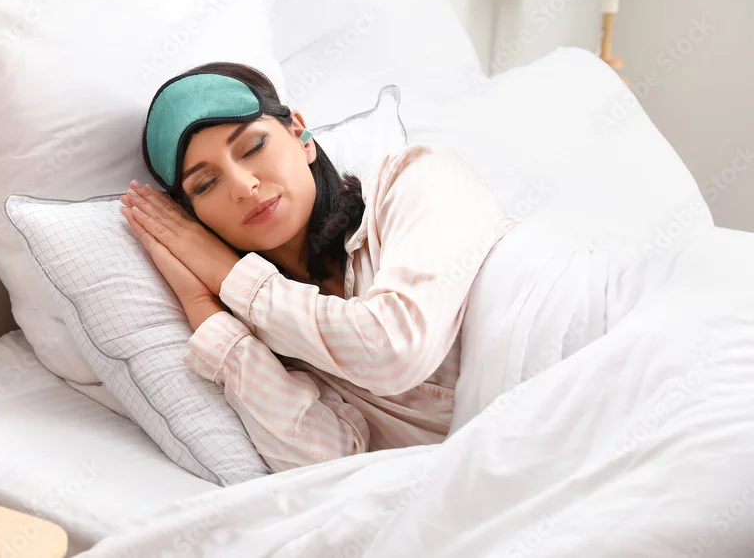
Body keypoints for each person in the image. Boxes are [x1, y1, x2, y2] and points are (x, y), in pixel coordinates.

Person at [119, 62, 516, 473]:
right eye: (205, 185)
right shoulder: (271, 336)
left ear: (300, 135)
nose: (242, 186)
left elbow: (394, 351)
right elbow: (327, 466)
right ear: (196, 219)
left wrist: (227, 273)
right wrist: (202, 305)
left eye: (253, 147)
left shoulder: (417, 178)